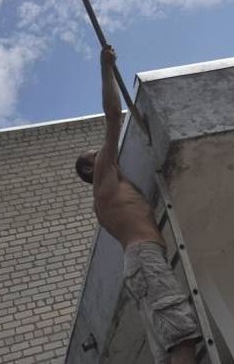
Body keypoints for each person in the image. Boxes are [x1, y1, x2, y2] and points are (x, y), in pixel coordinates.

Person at [75, 44, 201, 364]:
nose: (105, 152)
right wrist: (105, 68)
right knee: (179, 332)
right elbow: (114, 117)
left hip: (140, 261)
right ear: (91, 168)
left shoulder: (111, 190)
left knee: (168, 342)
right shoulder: (104, 177)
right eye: (97, 153)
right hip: (144, 257)